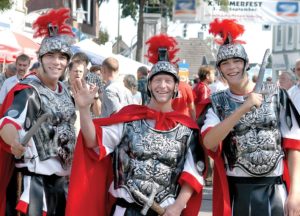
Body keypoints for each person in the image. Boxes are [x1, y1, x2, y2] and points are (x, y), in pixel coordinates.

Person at [66, 34, 206, 216]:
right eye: (157, 80)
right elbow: (93, 141)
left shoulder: (187, 129)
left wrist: (178, 206)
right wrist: (84, 109)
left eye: (168, 81)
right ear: (148, 85)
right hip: (125, 210)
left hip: (165, 211)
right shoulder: (128, 120)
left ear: (176, 86)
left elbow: (194, 173)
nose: (162, 85)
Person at [200, 19, 300, 216]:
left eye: (237, 61)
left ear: (245, 63)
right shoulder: (217, 102)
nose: (232, 67)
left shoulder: (277, 95)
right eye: (225, 63)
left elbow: (294, 146)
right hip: (238, 190)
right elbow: (209, 141)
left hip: (276, 187)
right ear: (220, 69)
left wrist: (296, 192)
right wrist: (242, 109)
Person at [0, 8, 77, 216]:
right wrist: (14, 141)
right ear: (41, 58)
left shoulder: (66, 92)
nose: (57, 62)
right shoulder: (29, 91)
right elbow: (9, 121)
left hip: (62, 185)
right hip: (36, 187)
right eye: (51, 56)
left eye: (62, 57)